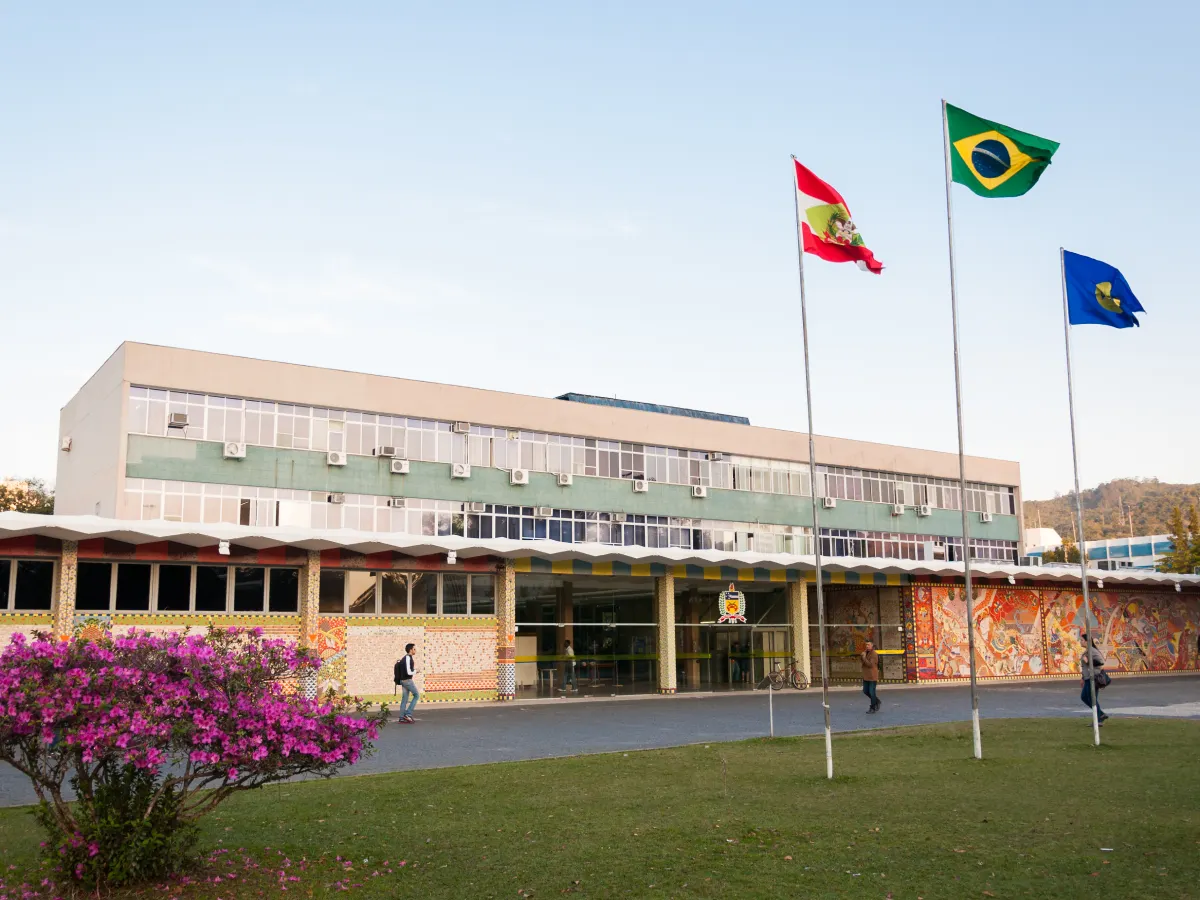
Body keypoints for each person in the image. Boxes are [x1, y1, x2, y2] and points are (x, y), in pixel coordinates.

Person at [1080, 636, 1109, 724]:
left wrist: (1088, 661)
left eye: (1081, 640)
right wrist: (1082, 678)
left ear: (1086, 641)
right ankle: (1100, 714)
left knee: (1092, 698)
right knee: (1084, 697)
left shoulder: (1092, 651)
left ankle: (1099, 719)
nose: (1080, 642)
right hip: (1087, 677)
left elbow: (1101, 662)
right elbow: (1085, 667)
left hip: (1093, 678)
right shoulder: (1087, 651)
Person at [396, 643, 419, 723]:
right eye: (414, 649)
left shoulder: (404, 658)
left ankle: (401, 718)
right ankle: (408, 714)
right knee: (416, 695)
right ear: (410, 650)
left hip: (403, 681)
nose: (415, 650)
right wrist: (416, 671)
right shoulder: (408, 658)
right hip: (407, 681)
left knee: (404, 699)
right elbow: (409, 672)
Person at [861, 640, 880, 713]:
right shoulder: (865, 652)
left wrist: (864, 657)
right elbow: (863, 662)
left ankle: (873, 707)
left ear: (872, 645)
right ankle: (876, 701)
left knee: (872, 692)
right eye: (866, 645)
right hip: (866, 676)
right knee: (865, 691)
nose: (867, 646)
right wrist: (862, 656)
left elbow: (870, 665)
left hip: (872, 676)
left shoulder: (874, 654)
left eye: (868, 645)